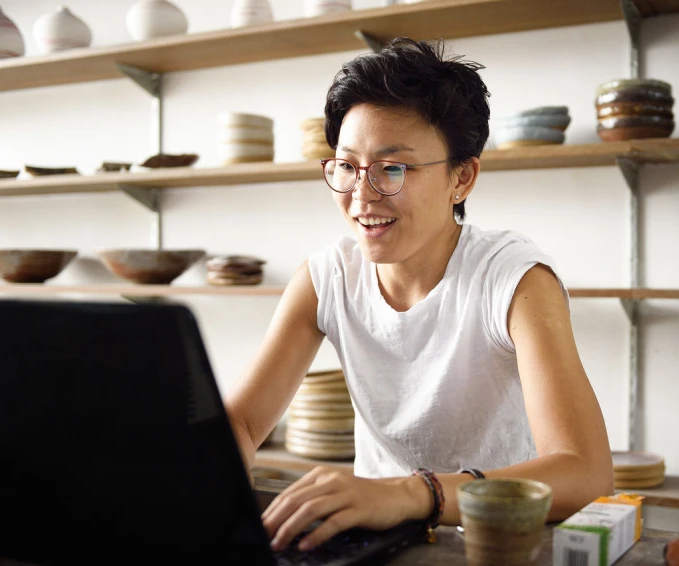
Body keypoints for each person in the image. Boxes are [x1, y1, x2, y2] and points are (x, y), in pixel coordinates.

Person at [224, 37, 613, 553]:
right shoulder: (326, 277)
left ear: (462, 177)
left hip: (494, 544)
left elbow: (585, 473)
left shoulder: (514, 280)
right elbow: (245, 421)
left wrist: (413, 493)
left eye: (393, 168)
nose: (361, 196)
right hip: (373, 543)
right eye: (346, 166)